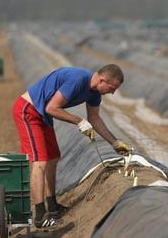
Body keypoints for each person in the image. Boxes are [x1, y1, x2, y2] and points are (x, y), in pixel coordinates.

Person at [12, 64, 132, 229]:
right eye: (112, 88)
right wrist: (79, 121)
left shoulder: (95, 93)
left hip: (43, 115)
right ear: (102, 79)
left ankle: (52, 206)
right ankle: (40, 216)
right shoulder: (77, 79)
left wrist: (115, 142)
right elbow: (52, 108)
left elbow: (95, 118)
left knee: (53, 158)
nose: (112, 93)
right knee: (40, 162)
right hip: (29, 111)